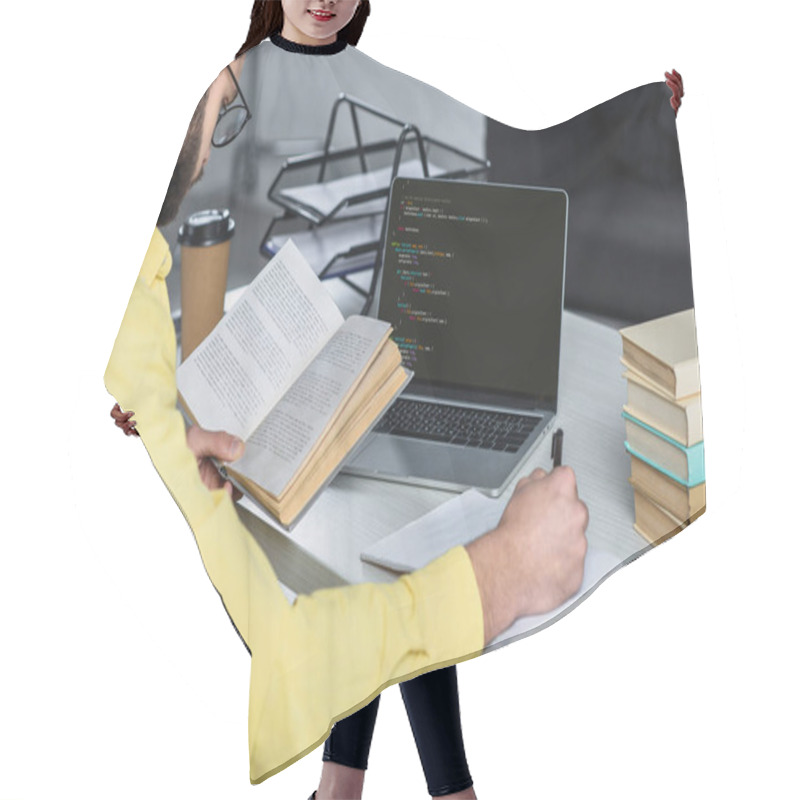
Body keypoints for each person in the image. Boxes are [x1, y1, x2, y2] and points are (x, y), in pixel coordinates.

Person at [105, 47, 589, 788]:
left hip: (396, 350)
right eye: (220, 111)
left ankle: (357, 783)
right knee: (373, 556)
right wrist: (500, 576)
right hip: (327, 409)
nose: (208, 151)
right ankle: (401, 786)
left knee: (379, 552)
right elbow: (301, 651)